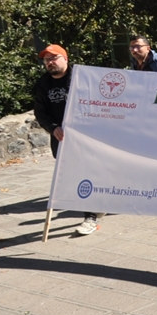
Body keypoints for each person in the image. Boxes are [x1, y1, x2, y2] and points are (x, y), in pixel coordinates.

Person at [34, 44, 103, 236]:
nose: (50, 62)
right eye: (47, 60)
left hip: (86, 137)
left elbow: (98, 104)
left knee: (91, 173)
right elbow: (40, 112)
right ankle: (93, 212)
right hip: (62, 139)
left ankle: (93, 213)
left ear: (66, 58)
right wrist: (52, 127)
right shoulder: (43, 83)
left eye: (54, 58)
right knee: (76, 177)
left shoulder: (82, 79)